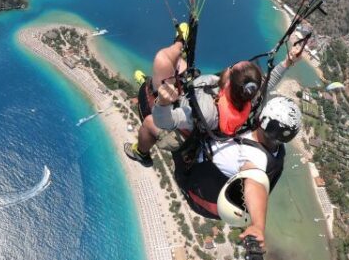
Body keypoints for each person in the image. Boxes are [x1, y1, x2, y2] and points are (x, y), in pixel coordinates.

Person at [124, 23, 306, 167]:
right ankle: (157, 83)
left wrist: (163, 103)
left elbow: (165, 122)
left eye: (231, 68)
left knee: (149, 123)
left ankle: (141, 153)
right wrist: (288, 62)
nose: (228, 67)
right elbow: (268, 82)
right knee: (179, 65)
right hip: (195, 101)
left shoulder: (207, 109)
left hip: (188, 133)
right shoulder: (251, 99)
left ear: (227, 83)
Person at [168, 95, 302, 248]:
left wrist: (258, 225)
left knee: (169, 120)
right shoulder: (273, 148)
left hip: (193, 177)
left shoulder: (257, 158)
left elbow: (254, 184)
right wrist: (282, 69)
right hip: (206, 178)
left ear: (263, 120)